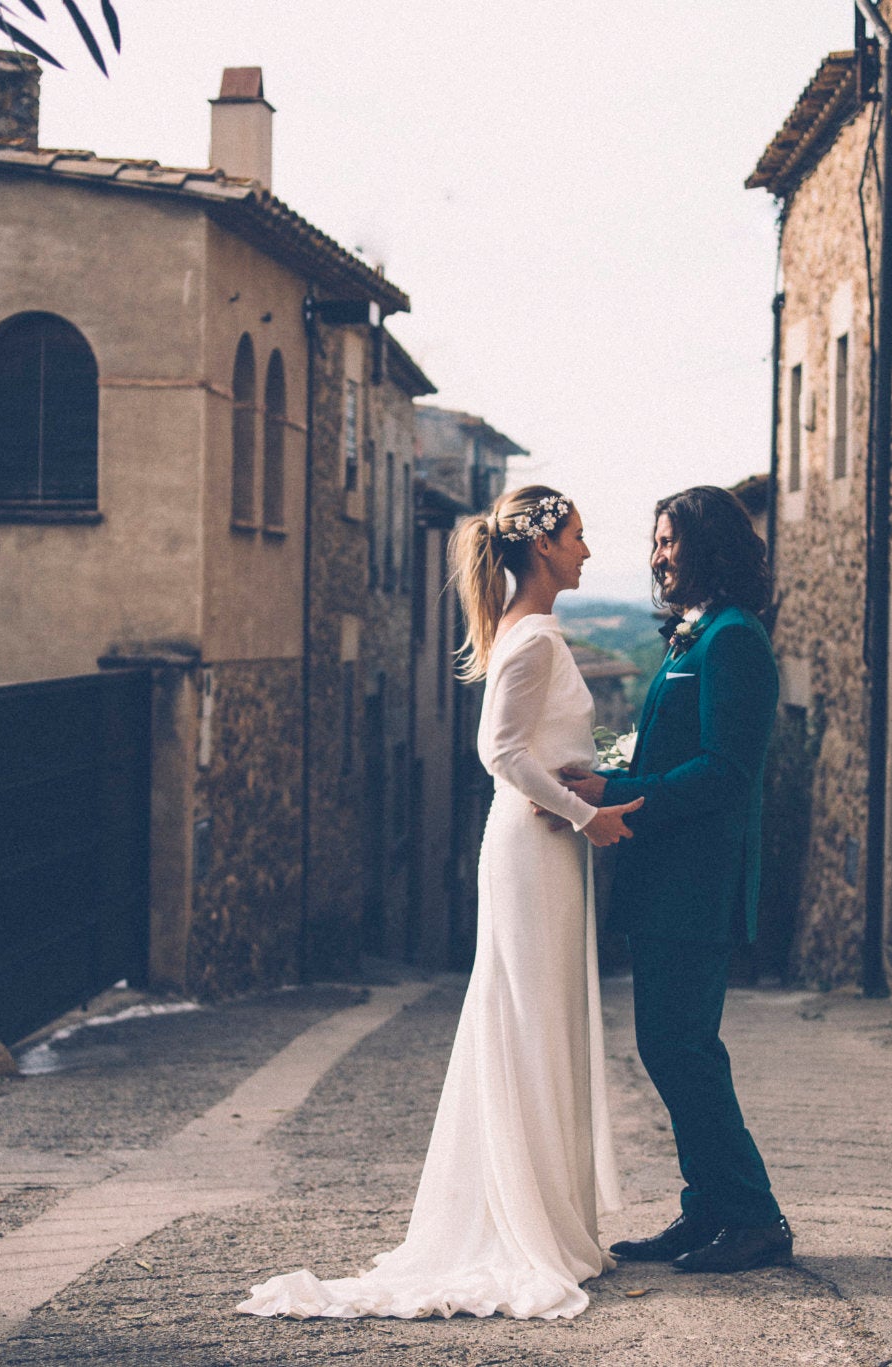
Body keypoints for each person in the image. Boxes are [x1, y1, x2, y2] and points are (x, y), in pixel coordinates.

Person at [238, 486, 642, 1321]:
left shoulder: (539, 635)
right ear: (540, 548)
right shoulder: (530, 640)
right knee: (527, 1018)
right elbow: (498, 750)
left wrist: (603, 775)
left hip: (547, 845)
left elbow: (545, 746)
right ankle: (526, 1225)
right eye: (576, 535)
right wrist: (585, 815)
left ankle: (552, 1218)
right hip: (534, 847)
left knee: (545, 1015)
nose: (587, 551)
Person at [557, 484, 793, 1273]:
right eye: (655, 543)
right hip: (667, 879)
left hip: (699, 882)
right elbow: (662, 745)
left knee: (682, 1048)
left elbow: (727, 773)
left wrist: (621, 797)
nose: (658, 556)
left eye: (670, 541)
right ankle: (708, 1210)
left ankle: (756, 1217)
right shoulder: (690, 639)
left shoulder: (735, 641)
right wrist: (600, 768)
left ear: (710, 546)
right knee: (672, 1047)